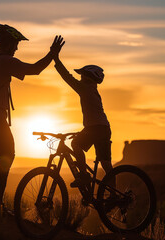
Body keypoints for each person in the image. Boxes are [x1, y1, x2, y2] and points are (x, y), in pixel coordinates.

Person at [0, 24, 64, 211]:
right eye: (16, 43)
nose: (17, 48)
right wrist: (52, 54)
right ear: (8, 43)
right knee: (6, 154)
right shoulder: (5, 61)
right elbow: (35, 69)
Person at [52, 41, 113, 188]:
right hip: (103, 128)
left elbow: (67, 77)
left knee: (75, 144)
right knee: (106, 164)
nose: (79, 78)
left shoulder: (85, 88)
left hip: (95, 128)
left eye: (82, 75)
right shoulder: (92, 90)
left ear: (88, 77)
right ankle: (115, 195)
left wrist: (56, 58)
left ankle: (84, 176)